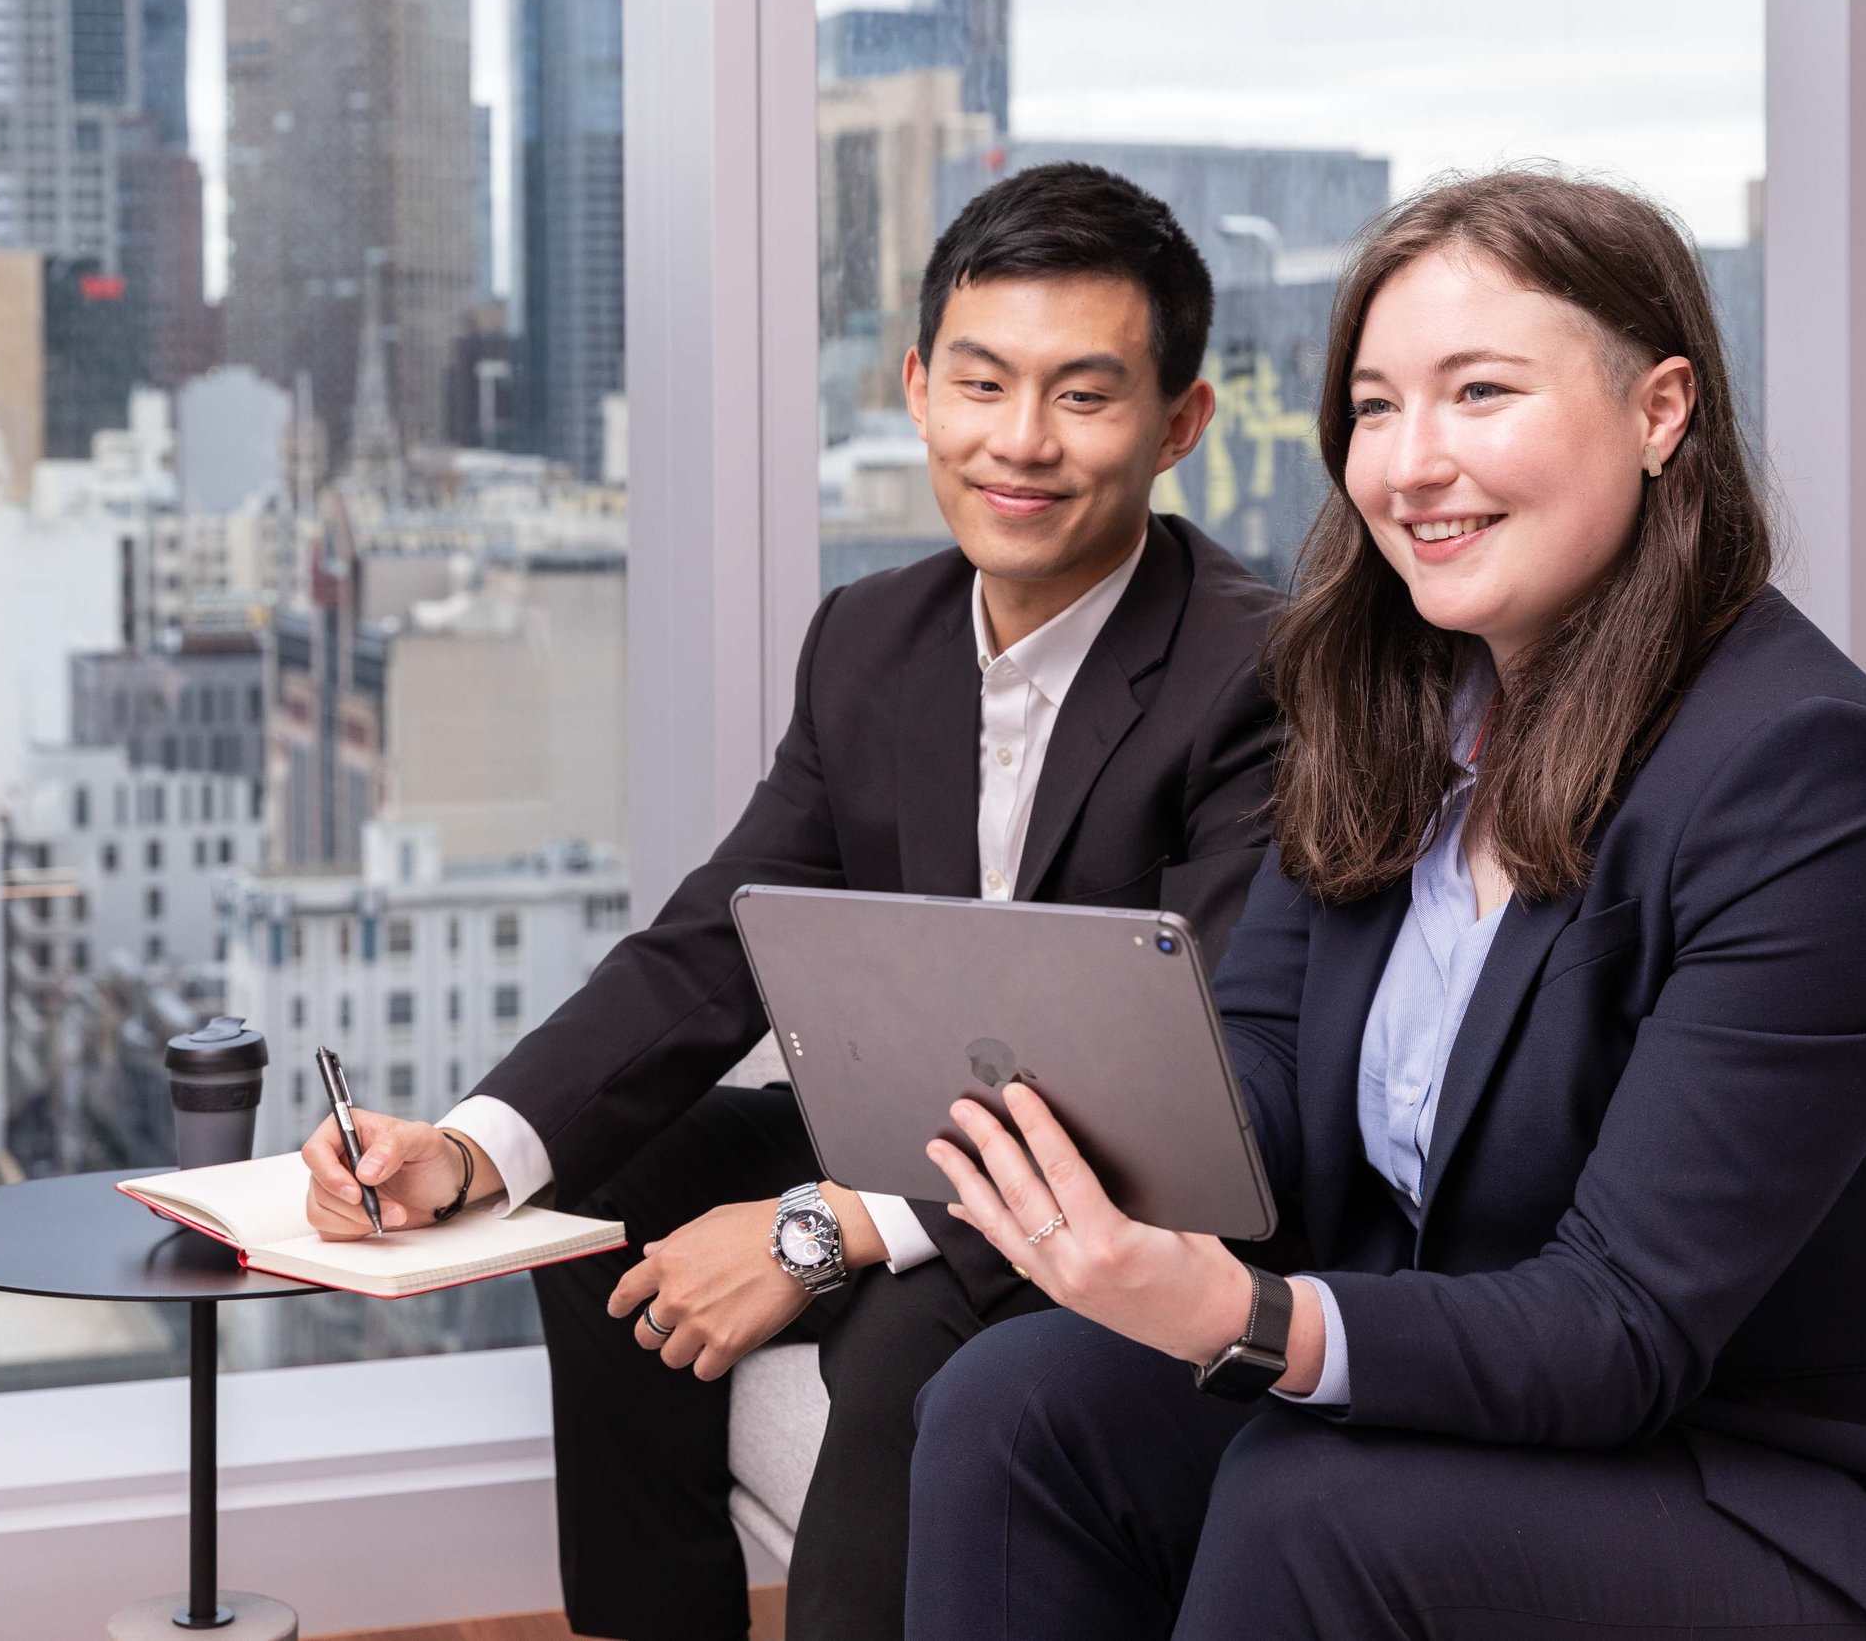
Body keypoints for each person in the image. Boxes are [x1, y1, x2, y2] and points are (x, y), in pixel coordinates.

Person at [906, 167, 1866, 1641]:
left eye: (1479, 393)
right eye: (1374, 408)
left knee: (1314, 1510)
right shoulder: (1391, 713)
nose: (1409, 464)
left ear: (1660, 410)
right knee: (1016, 1402)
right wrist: (1089, 1104)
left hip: (1791, 1483)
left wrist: (1241, 1316)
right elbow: (1272, 1090)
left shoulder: (1817, 788)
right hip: (1503, 1398)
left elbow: (1624, 1327)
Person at [296, 163, 1285, 1641]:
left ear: (1179, 425)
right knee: (602, 1189)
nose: (1020, 442)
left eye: (1084, 397)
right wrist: (464, 1148)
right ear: (916, 389)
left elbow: (1190, 1075)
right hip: (925, 1135)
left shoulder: (1257, 672)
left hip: (1121, 1187)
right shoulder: (871, 638)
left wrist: (826, 1227)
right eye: (982, 383)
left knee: (901, 1354)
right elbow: (715, 944)